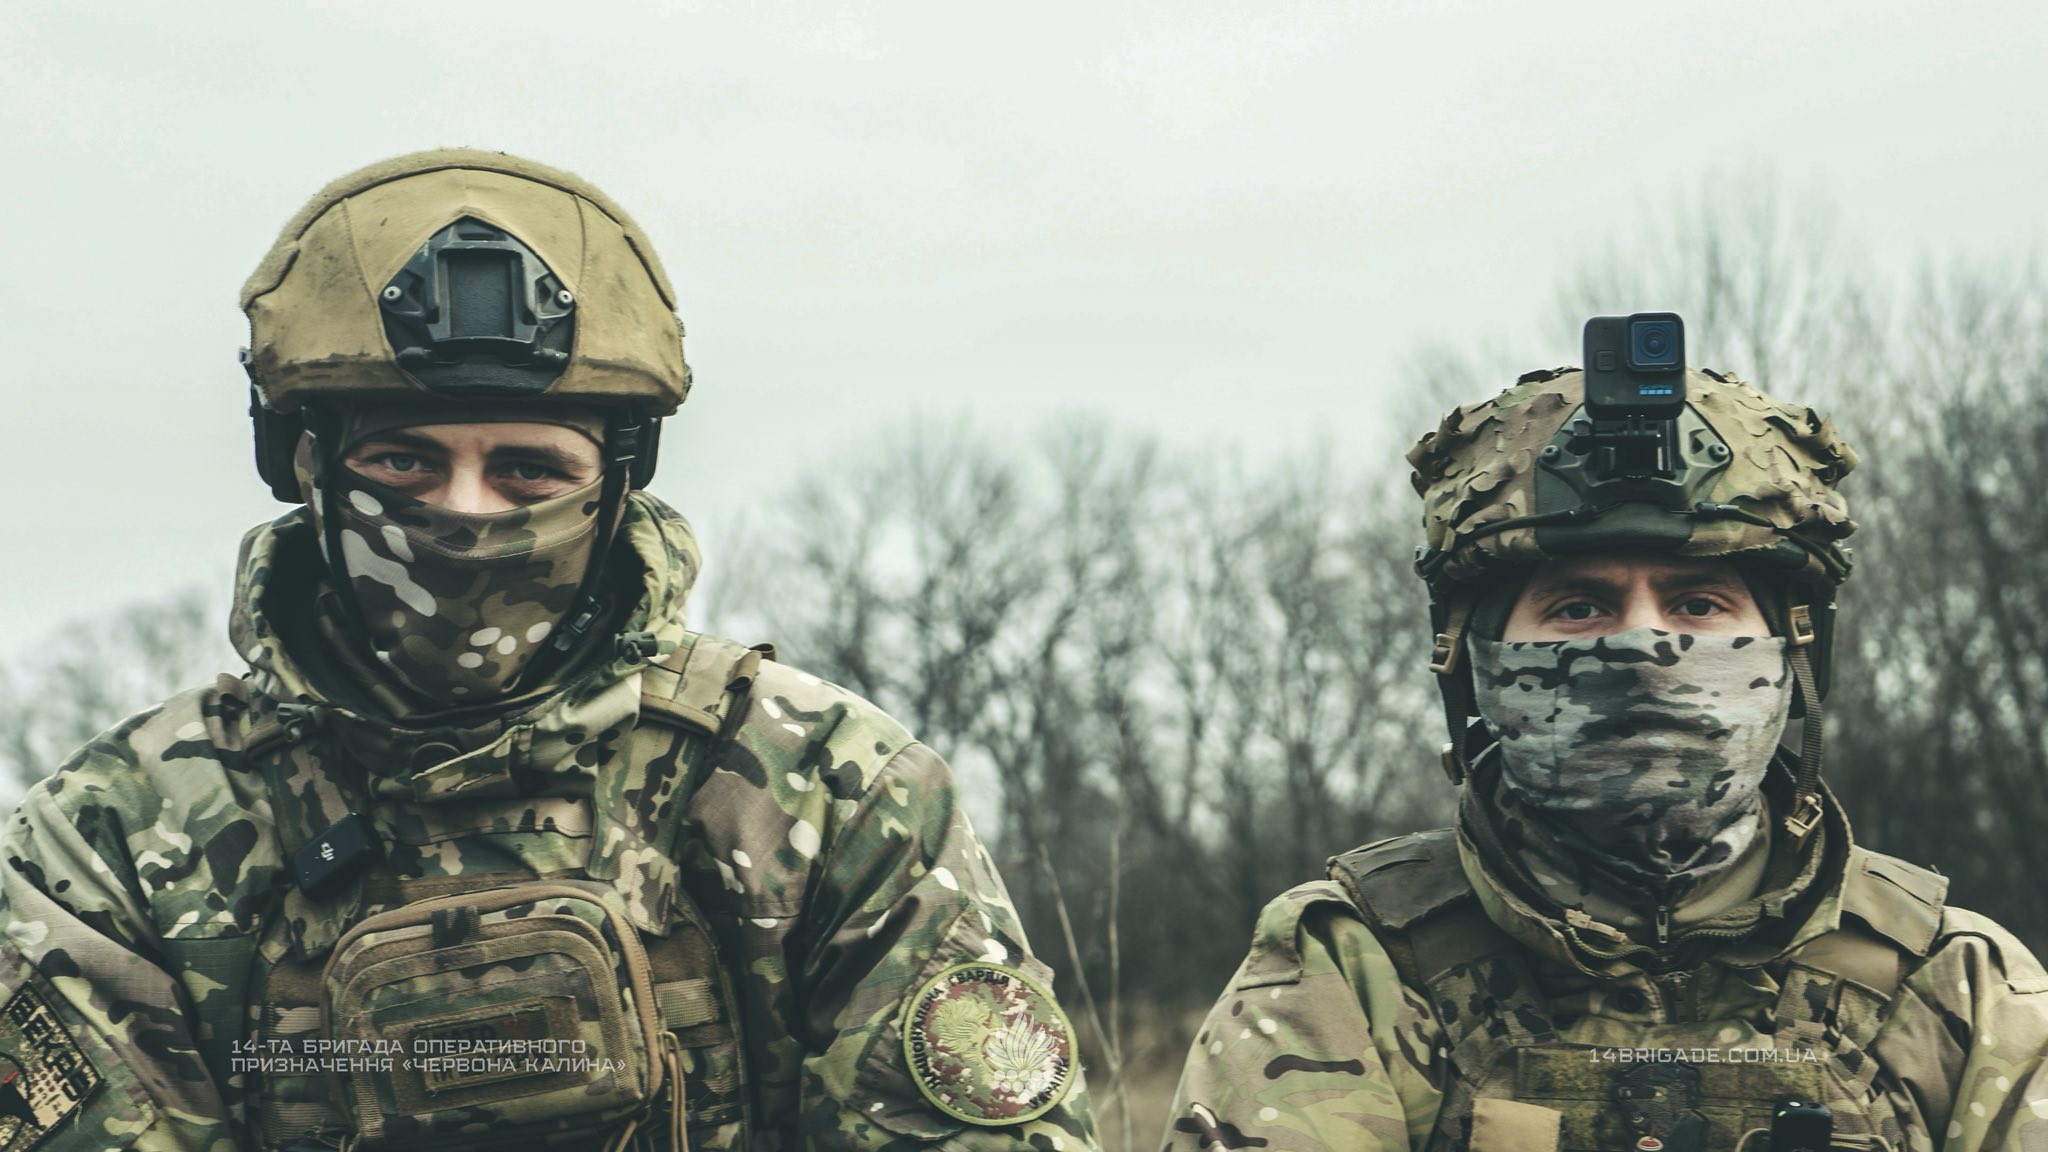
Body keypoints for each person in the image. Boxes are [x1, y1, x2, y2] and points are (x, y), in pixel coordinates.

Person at [0, 150, 1096, 1152]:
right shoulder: (117, 838)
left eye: (527, 468)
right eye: (402, 462)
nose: (466, 515)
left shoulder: (817, 788)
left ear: (617, 480)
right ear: (304, 466)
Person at [1162, 353, 2048, 1151]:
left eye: (1700, 604)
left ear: (1797, 656)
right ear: (1476, 666)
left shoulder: (1956, 982)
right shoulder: (1359, 966)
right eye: (1578, 607)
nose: (1643, 651)